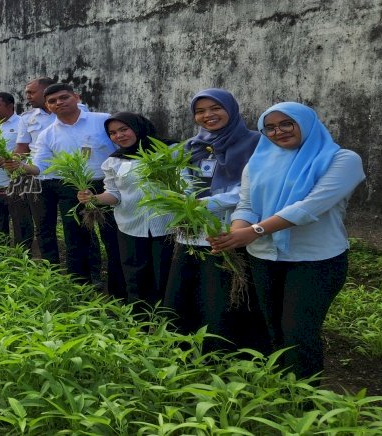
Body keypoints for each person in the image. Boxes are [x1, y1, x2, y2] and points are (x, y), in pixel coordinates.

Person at [209, 102, 365, 378]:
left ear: (305, 123)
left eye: (286, 124)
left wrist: (252, 232)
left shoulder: (342, 159)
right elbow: (246, 205)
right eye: (269, 127)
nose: (277, 132)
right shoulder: (257, 162)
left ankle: (303, 402)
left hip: (315, 261)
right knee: (274, 329)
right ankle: (282, 390)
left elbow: (309, 207)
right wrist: (236, 233)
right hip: (265, 257)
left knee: (299, 333)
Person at [162, 88, 267, 353]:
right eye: (200, 111)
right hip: (192, 229)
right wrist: (185, 199)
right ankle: (184, 345)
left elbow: (254, 186)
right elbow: (181, 179)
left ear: (230, 109)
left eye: (215, 108)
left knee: (220, 291)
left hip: (233, 229)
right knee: (188, 286)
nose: (208, 115)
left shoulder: (255, 143)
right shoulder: (191, 145)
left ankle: (222, 348)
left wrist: (207, 203)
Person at [5, 84, 122, 297]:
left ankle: (119, 289)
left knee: (113, 237)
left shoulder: (102, 120)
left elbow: (122, 147)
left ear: (76, 97)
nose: (59, 103)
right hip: (73, 188)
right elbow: (40, 166)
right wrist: (20, 167)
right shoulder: (47, 135)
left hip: (108, 186)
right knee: (76, 237)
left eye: (64, 97)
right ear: (48, 107)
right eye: (52, 101)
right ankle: (81, 285)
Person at [77, 112, 174, 311]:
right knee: (135, 275)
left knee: (166, 275)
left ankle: (168, 320)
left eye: (124, 129)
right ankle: (139, 322)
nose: (119, 136)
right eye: (112, 133)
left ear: (138, 127)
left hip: (167, 226)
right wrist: (93, 198)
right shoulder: (114, 161)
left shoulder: (168, 151)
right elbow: (114, 194)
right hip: (130, 226)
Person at [14, 77, 93, 265]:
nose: (28, 97)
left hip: (70, 179)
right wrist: (11, 163)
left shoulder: (81, 112)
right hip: (40, 177)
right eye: (27, 93)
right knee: (43, 225)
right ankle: (51, 267)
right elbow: (22, 148)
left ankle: (87, 268)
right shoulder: (27, 118)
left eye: (31, 92)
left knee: (77, 225)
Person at [0, 92, 33, 248]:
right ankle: (0, 256)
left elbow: (30, 150)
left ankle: (23, 256)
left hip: (16, 182)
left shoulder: (22, 124)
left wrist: (8, 162)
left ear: (10, 106)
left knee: (21, 223)